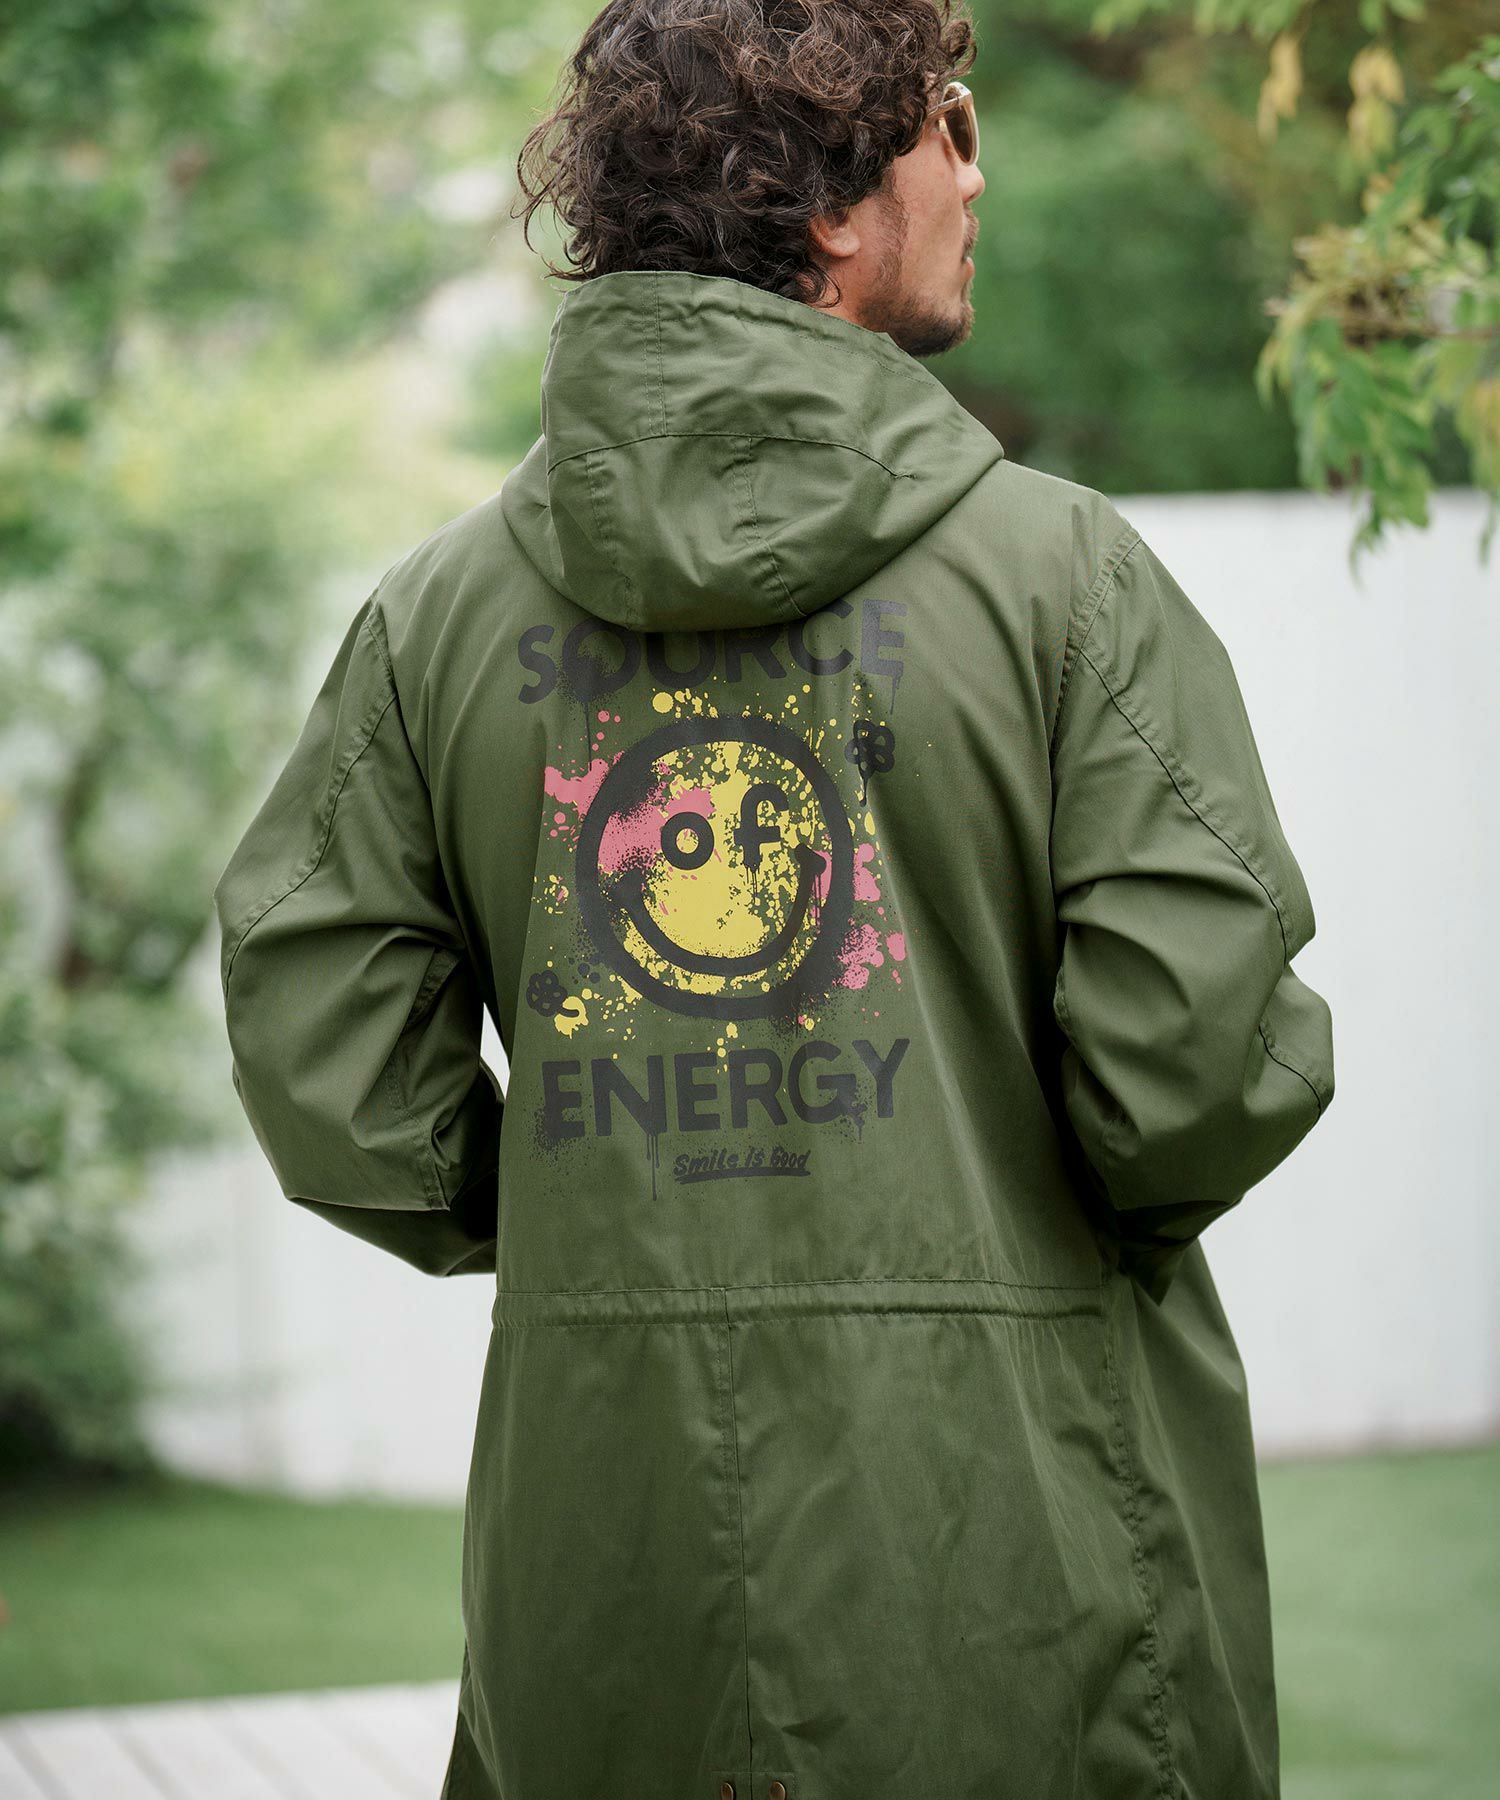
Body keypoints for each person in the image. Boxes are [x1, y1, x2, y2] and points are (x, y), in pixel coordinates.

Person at [212, 3, 1335, 1796]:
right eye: (950, 124)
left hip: (606, 1584)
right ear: (823, 198)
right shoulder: (1067, 585)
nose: (977, 174)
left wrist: (598, 1197)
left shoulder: (431, 623)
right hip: (1024, 1579)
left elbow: (340, 1085)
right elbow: (1187, 1079)